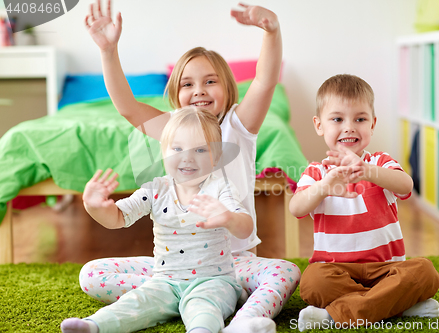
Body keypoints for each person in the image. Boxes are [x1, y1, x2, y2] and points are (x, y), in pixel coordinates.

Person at [80, 1, 300, 333]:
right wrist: (108, 51)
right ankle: (170, 295)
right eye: (187, 84)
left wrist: (272, 31)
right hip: (173, 269)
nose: (198, 90)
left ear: (228, 88)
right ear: (175, 94)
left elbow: (266, 81)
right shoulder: (170, 128)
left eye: (209, 82)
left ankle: (243, 323)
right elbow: (127, 108)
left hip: (234, 265)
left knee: (286, 272)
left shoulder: (238, 125)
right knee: (90, 274)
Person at [61, 107, 253, 333]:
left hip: (213, 282)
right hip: (165, 282)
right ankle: (94, 325)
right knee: (136, 301)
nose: (187, 158)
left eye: (200, 150)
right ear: (164, 152)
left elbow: (245, 228)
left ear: (217, 157)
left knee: (204, 307)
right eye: (177, 148)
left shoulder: (219, 188)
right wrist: (93, 207)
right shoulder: (155, 189)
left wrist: (229, 218)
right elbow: (119, 217)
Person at [288, 74, 439, 330]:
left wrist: (368, 172)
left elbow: (406, 186)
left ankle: (335, 316)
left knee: (425, 272)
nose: (349, 127)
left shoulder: (380, 163)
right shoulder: (316, 172)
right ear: (319, 125)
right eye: (337, 119)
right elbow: (296, 208)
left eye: (360, 119)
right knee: (313, 282)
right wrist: (324, 187)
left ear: (372, 124)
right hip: (336, 271)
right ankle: (396, 305)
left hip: (387, 270)